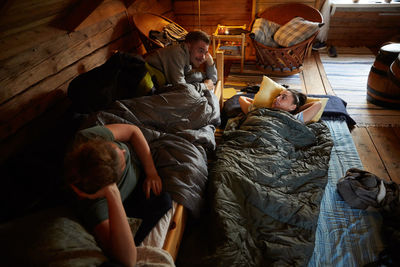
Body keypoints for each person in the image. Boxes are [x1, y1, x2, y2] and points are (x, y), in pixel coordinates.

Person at [64, 123, 163, 267]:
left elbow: (132, 131)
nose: (123, 150)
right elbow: (128, 260)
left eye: (115, 146)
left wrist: (151, 172)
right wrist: (113, 194)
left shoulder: (87, 139)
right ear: (111, 183)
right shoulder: (97, 208)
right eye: (122, 164)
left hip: (141, 161)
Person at [145, 30, 217, 92]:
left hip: (165, 84)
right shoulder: (177, 53)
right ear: (188, 46)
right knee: (196, 92)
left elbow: (213, 80)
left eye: (205, 52)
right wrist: (204, 86)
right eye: (200, 51)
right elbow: (182, 90)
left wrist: (210, 62)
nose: (203, 57)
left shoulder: (186, 56)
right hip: (149, 86)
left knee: (198, 76)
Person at [238, 89, 322, 124]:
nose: (277, 98)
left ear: (293, 107)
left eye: (283, 97)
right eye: (277, 96)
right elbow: (242, 99)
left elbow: (318, 104)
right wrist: (265, 107)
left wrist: (296, 110)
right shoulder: (260, 111)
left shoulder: (294, 119)